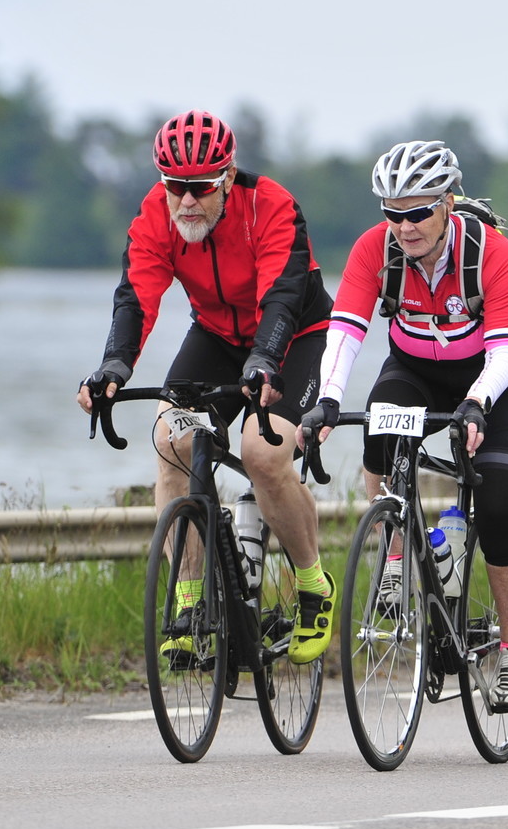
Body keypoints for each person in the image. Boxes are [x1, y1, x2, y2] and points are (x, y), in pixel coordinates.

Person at [297, 140, 508, 709]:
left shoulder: (491, 252)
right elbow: (346, 330)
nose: (404, 227)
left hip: (504, 375)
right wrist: (328, 400)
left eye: (417, 213)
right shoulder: (375, 249)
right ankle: (396, 549)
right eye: (393, 214)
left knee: (501, 505)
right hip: (417, 368)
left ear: (447, 204)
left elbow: (505, 349)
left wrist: (478, 402)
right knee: (380, 439)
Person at [76, 110, 337, 662]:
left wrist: (264, 360)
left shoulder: (271, 205)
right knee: (171, 441)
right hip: (218, 337)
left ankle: (313, 583)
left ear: (228, 177)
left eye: (200, 186)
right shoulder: (156, 213)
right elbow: (136, 297)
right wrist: (113, 368)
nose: (187, 200)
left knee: (262, 454)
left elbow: (282, 297)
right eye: (175, 186)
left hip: (295, 336)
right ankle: (191, 599)